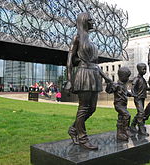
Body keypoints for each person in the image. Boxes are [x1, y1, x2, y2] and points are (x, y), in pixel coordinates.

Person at [65, 12, 111, 150]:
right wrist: (69, 80)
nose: (93, 22)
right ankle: (83, 138)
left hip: (94, 74)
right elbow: (69, 61)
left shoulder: (90, 41)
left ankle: (74, 129)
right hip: (83, 74)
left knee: (92, 109)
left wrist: (106, 77)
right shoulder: (77, 38)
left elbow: (95, 64)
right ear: (84, 21)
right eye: (91, 20)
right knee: (84, 108)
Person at [106, 67, 133, 141]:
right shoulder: (116, 85)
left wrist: (131, 94)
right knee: (127, 115)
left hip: (124, 105)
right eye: (127, 76)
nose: (128, 79)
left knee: (121, 118)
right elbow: (108, 91)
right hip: (119, 105)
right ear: (121, 76)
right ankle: (125, 129)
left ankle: (120, 134)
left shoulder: (124, 85)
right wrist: (109, 84)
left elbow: (126, 92)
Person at [130, 63, 150, 135]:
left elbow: (146, 88)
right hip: (138, 98)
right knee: (141, 113)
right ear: (139, 70)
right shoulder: (137, 79)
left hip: (142, 97)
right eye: (143, 69)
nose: (145, 71)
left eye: (145, 69)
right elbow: (132, 88)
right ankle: (141, 129)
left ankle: (132, 125)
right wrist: (134, 95)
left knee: (140, 113)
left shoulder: (143, 80)